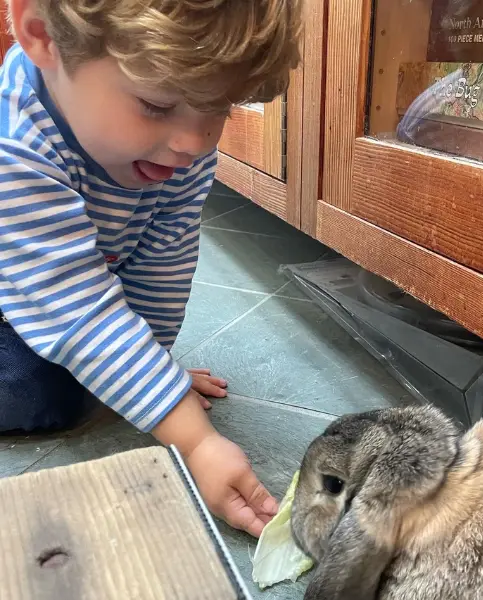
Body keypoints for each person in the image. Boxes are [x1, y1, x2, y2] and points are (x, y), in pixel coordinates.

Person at [0, 0, 302, 538]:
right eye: (157, 105)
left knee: (105, 370)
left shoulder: (178, 148)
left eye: (219, 108)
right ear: (43, 35)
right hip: (21, 294)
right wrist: (195, 440)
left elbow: (163, 259)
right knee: (43, 392)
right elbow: (78, 309)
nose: (195, 141)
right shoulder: (15, 147)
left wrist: (154, 373)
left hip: (58, 290)